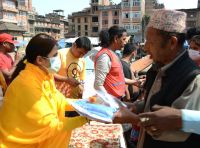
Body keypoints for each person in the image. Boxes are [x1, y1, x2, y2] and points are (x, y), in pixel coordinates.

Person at [114, 10, 200, 148]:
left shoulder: (193, 79)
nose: (146, 47)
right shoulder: (156, 69)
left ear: (172, 42)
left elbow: (170, 130)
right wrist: (135, 107)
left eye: (150, 42)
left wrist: (132, 118)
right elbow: (153, 103)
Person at [0, 33, 88, 148]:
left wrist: (87, 104)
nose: (58, 59)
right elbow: (51, 126)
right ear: (40, 60)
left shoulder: (45, 75)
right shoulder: (27, 84)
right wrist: (86, 118)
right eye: (55, 55)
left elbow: (59, 101)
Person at [94, 26, 127, 99]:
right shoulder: (105, 56)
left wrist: (135, 82)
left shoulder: (114, 54)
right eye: (124, 39)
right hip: (111, 103)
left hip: (117, 100)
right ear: (116, 39)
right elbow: (98, 85)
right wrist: (110, 102)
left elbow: (117, 77)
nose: (125, 42)